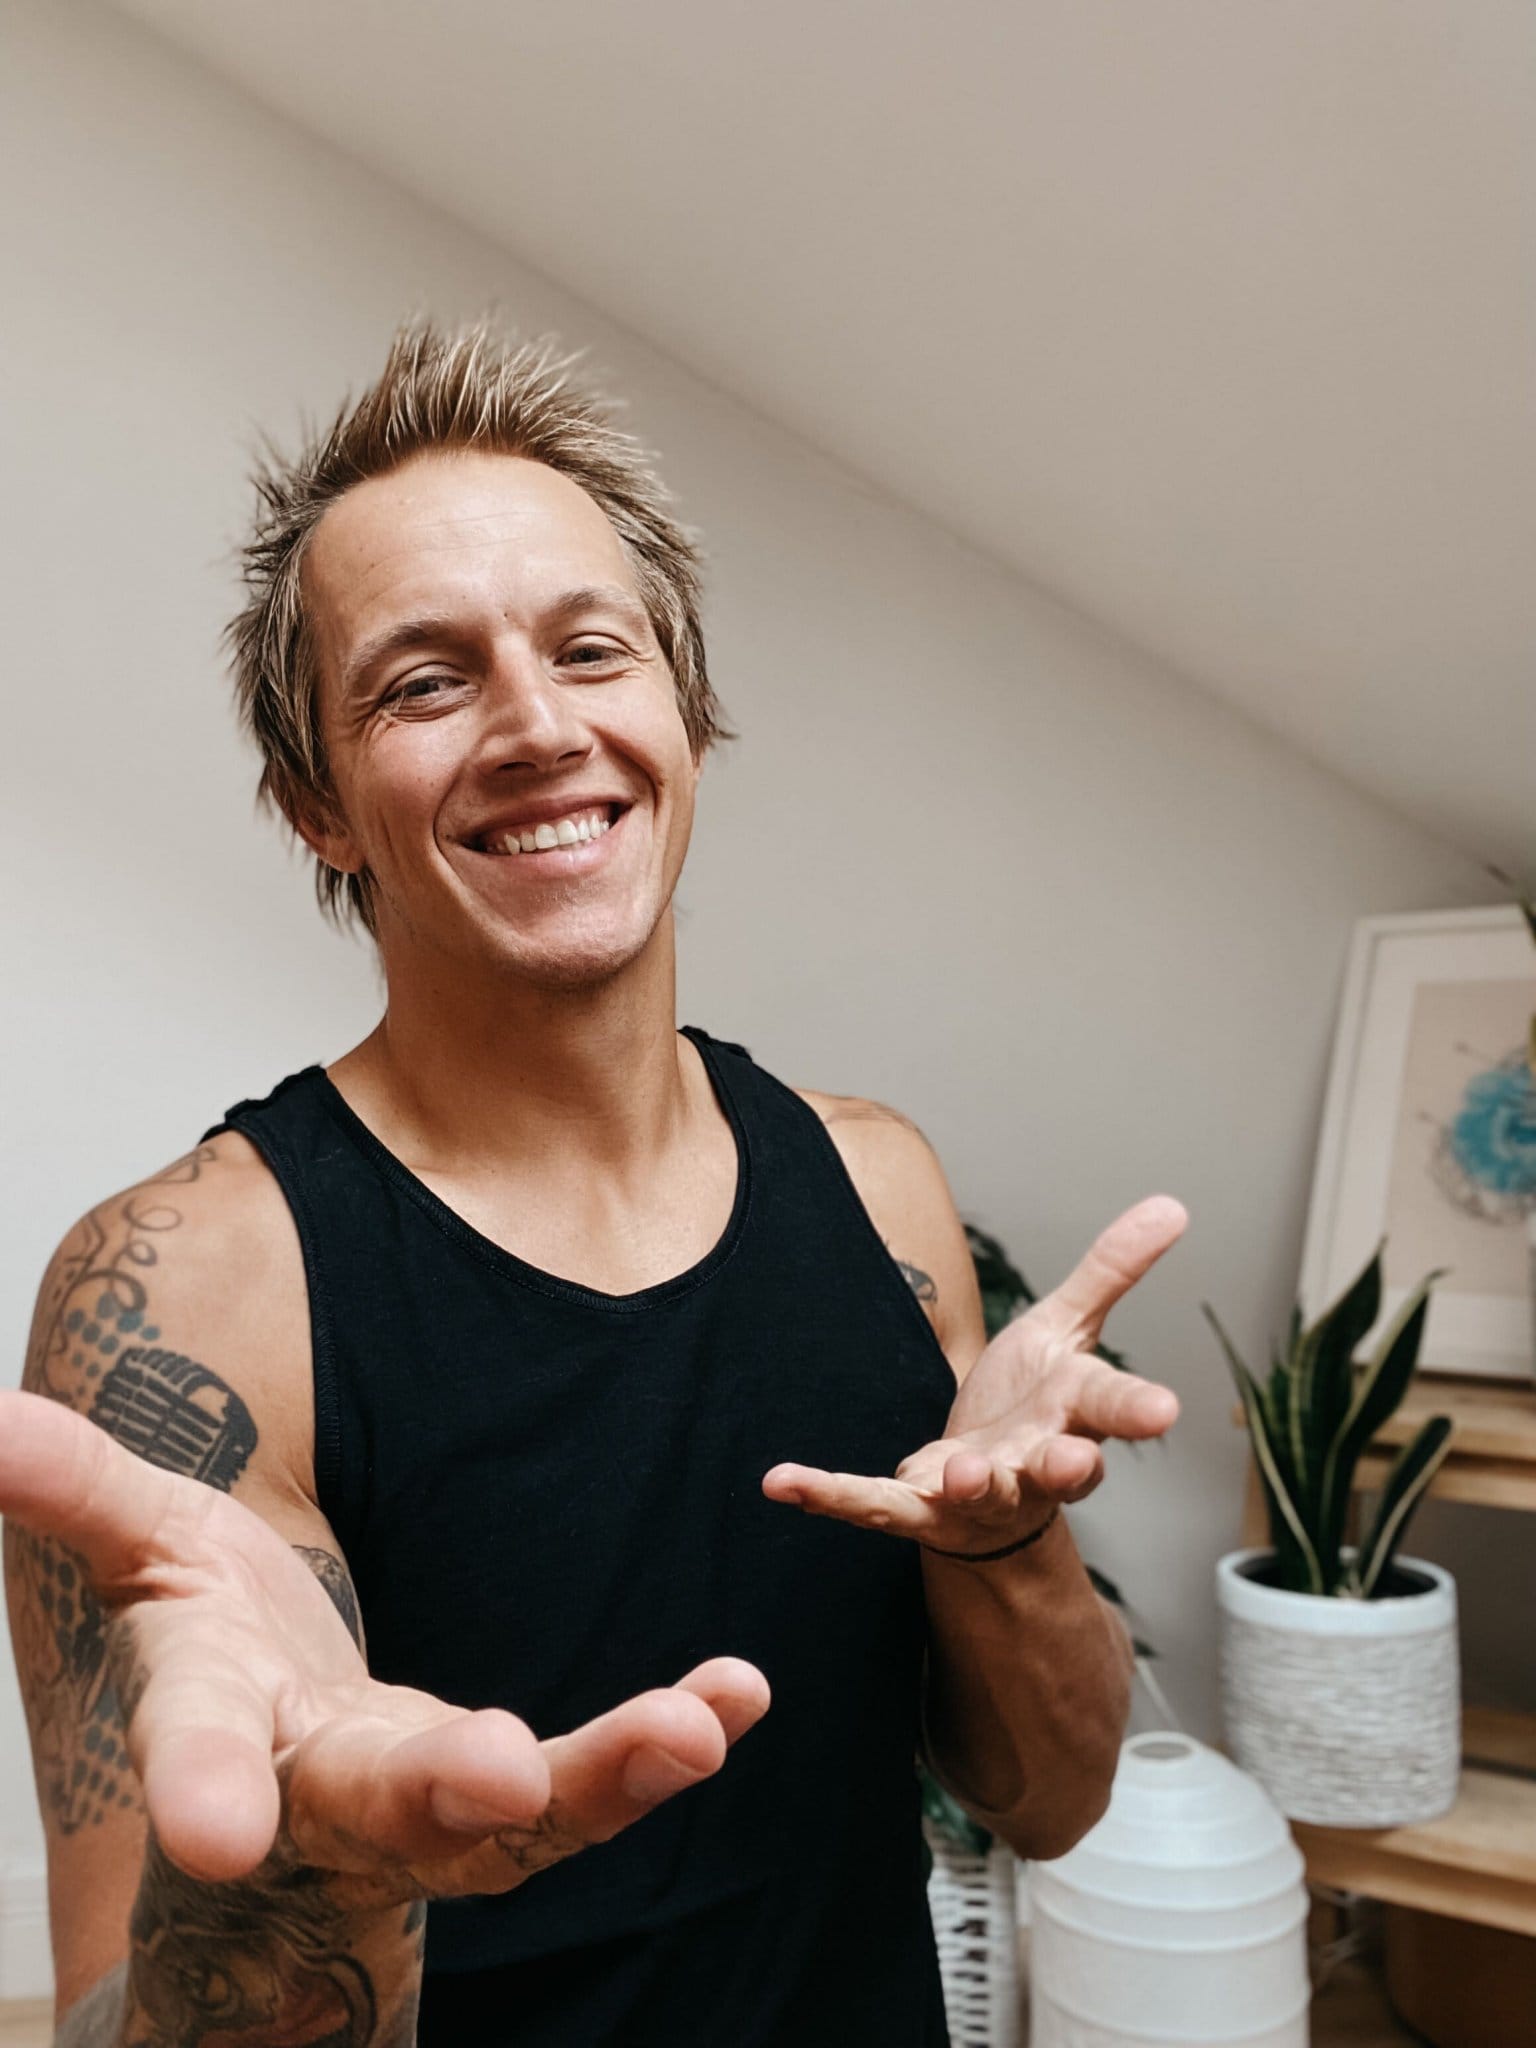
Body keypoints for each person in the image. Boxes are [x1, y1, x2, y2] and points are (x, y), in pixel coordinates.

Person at [2, 320, 1186, 2048]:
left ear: (683, 715)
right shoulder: (196, 1289)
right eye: (425, 683)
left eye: (590, 650)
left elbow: (1052, 1802)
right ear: (316, 803)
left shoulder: (878, 1186)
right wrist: (304, 1875)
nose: (539, 725)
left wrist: (1009, 1548)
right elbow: (119, 2016)